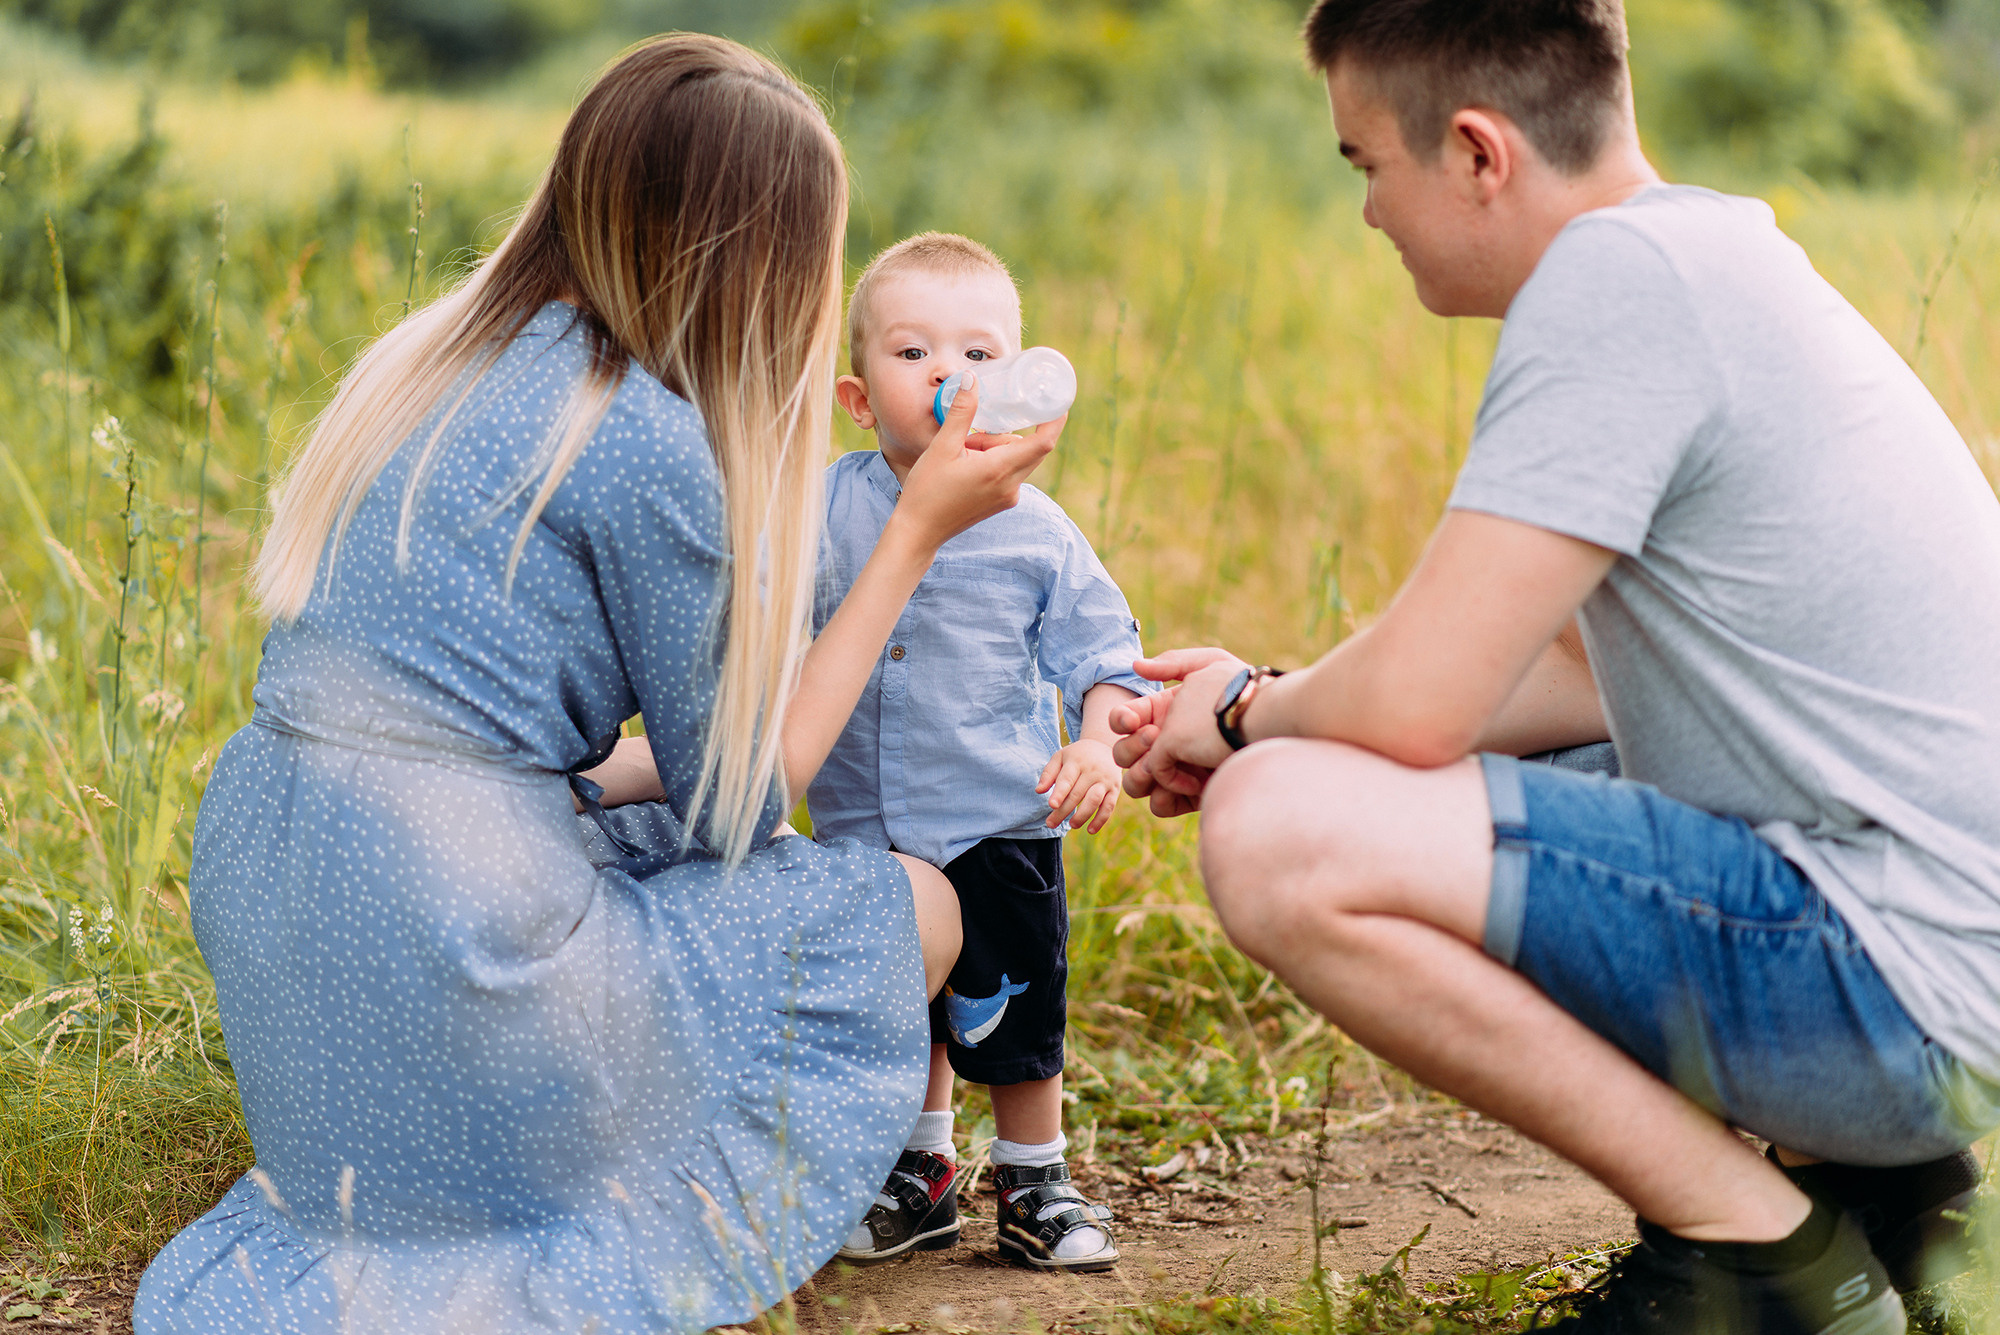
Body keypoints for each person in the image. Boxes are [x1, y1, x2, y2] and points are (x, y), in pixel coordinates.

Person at [134, 37, 1058, 1334]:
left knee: (624, 834)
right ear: (758, 263)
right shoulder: (640, 437)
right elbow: (745, 807)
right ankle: (594, 1189)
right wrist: (912, 535)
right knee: (914, 904)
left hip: (287, 895)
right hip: (467, 935)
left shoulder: (422, 362)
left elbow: (516, 752)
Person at [1110, 1, 2000, 1332]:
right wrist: (1276, 704)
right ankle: (1890, 1191)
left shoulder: (1613, 288)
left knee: (1276, 828)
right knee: (1335, 771)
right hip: (1937, 980)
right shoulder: (1704, 256)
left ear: (1478, 151)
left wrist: (1244, 716)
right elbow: (1583, 683)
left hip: (1900, 992)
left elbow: (1419, 704)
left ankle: (1766, 1258)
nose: (1368, 213)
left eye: (1366, 164)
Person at [812, 233, 1145, 1272]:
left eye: (979, 354)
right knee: (905, 1007)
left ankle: (1035, 1174)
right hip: (866, 822)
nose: (949, 375)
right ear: (858, 398)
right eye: (912, 354)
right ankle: (921, 1172)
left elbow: (1108, 659)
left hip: (997, 813)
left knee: (1013, 1008)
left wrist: (1095, 744)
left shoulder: (1035, 532)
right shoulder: (821, 512)